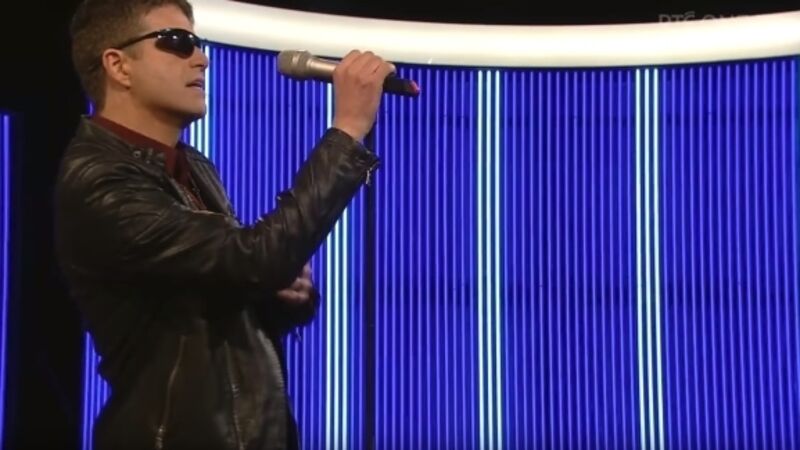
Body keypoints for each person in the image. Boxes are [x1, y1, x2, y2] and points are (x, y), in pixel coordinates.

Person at [54, 0, 394, 449]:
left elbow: (230, 285)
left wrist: (284, 293)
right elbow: (255, 259)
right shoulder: (98, 179)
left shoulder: (193, 166)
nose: (202, 58)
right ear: (119, 66)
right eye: (178, 42)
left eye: (198, 43)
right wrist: (347, 129)